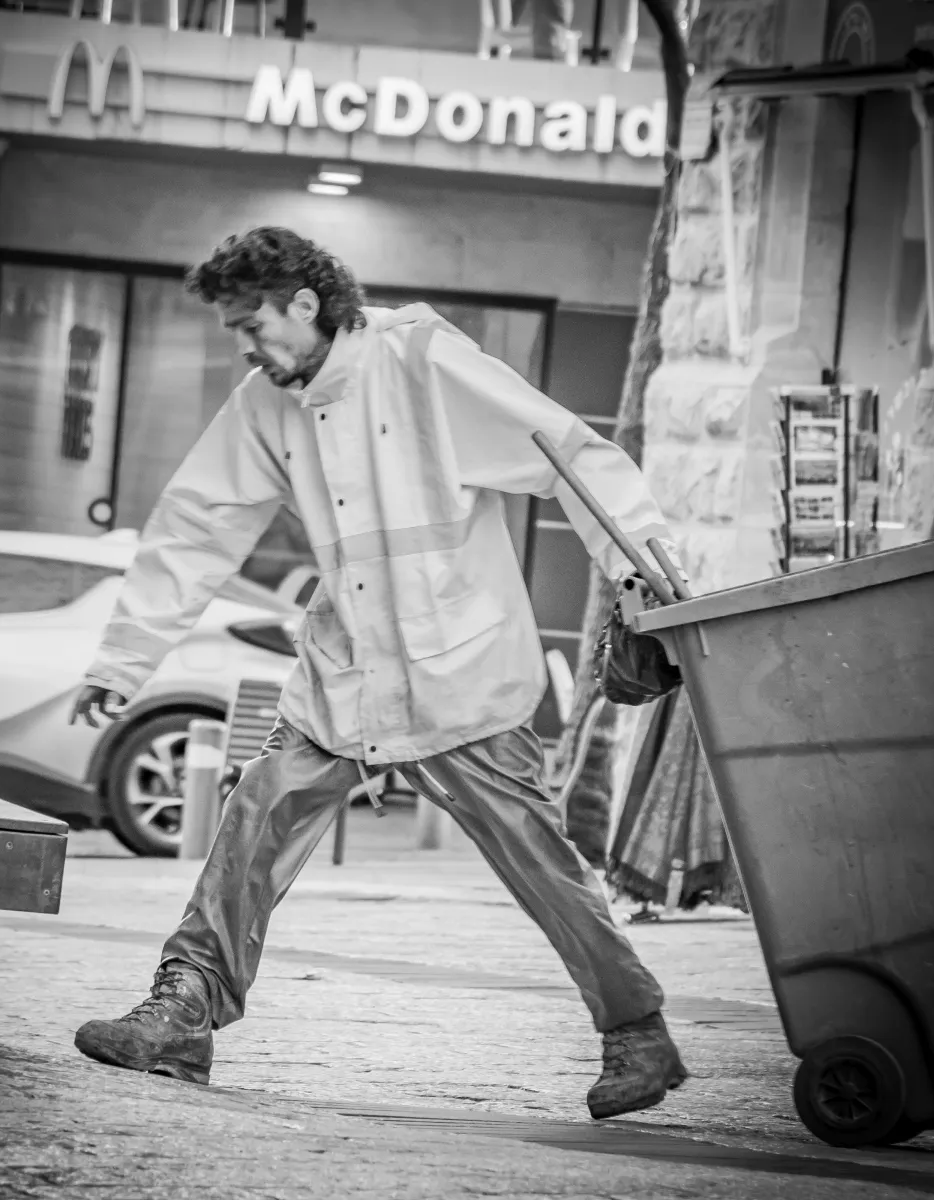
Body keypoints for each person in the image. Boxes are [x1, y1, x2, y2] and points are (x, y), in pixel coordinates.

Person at [69, 227, 688, 1120]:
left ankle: (639, 1035)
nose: (244, 344)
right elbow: (193, 526)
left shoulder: (423, 358)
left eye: (251, 323)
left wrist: (641, 574)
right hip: (346, 672)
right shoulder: (264, 405)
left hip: (461, 674)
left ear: (306, 305)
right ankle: (183, 1011)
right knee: (254, 820)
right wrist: (125, 659)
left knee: (539, 863)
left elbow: (570, 458)